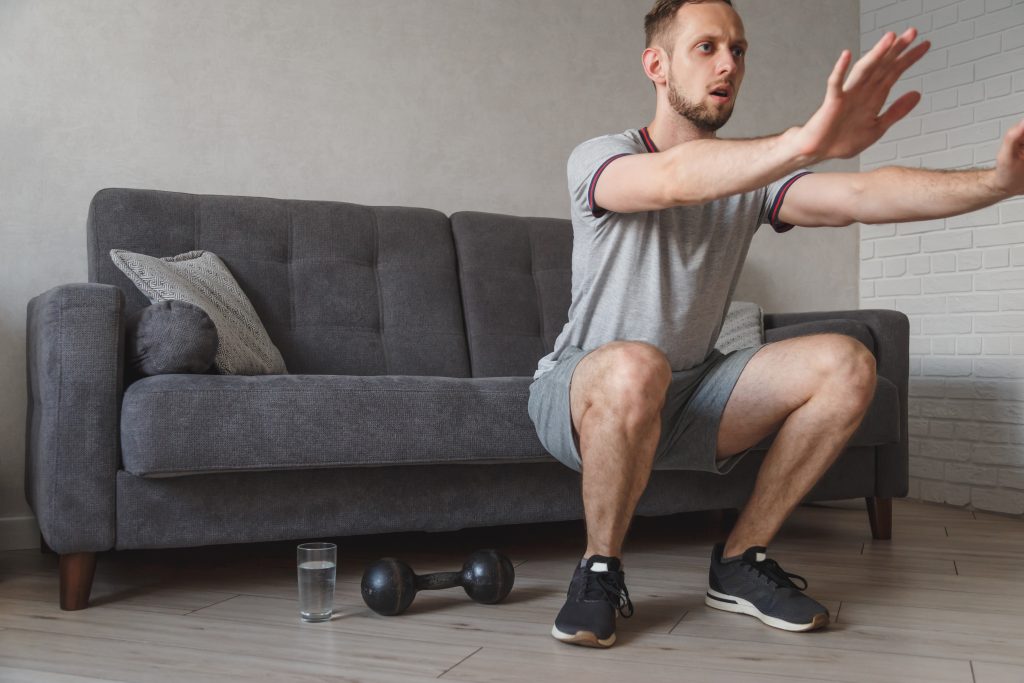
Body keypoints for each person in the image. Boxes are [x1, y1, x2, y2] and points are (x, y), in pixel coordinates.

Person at [527, 0, 1024, 648]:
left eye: (738, 50)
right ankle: (598, 569)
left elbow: (861, 196)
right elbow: (677, 180)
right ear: (657, 64)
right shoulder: (602, 157)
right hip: (582, 392)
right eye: (706, 47)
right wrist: (805, 141)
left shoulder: (753, 182)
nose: (728, 63)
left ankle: (740, 558)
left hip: (690, 396)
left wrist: (996, 183)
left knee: (848, 360)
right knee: (636, 363)